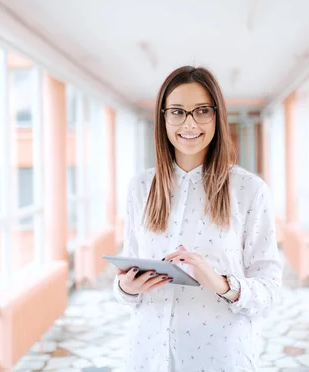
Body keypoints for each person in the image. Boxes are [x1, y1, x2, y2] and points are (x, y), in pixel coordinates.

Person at [113, 65, 283, 371]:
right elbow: (126, 282)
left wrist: (221, 283)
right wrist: (127, 287)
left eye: (202, 110)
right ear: (163, 118)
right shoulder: (140, 187)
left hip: (218, 356)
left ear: (217, 115)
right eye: (177, 112)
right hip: (147, 354)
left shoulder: (249, 190)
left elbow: (270, 291)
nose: (189, 123)